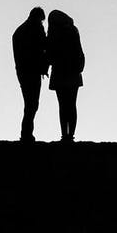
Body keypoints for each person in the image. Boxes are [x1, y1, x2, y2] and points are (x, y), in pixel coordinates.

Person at [45, 9, 84, 142]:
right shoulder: (73, 30)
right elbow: (80, 53)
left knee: (63, 106)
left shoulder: (54, 34)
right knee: (72, 105)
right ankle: (70, 135)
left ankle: (64, 135)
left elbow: (49, 56)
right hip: (73, 73)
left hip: (60, 73)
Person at [12, 7, 48, 142]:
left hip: (22, 72)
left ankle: (26, 133)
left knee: (29, 103)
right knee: (32, 104)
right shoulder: (36, 29)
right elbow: (44, 46)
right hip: (32, 72)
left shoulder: (18, 31)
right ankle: (26, 134)